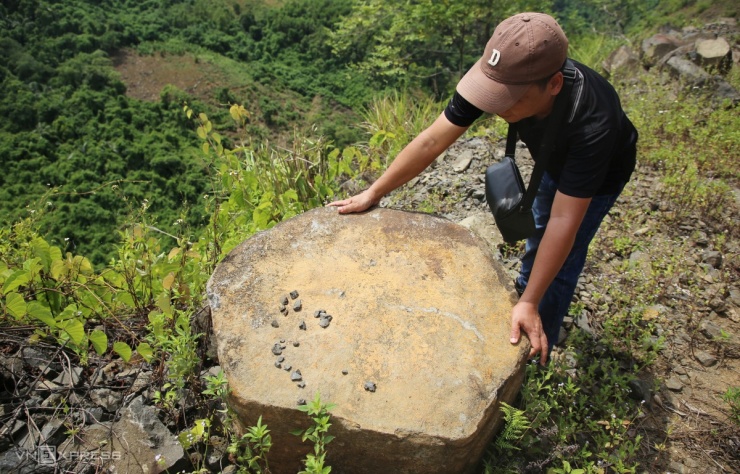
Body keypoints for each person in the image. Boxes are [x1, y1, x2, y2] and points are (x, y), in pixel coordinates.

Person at [328, 12, 638, 364]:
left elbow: (565, 220)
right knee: (538, 225)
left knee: (564, 256)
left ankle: (538, 342)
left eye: (510, 98)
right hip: (553, 157)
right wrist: (375, 191)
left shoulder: (593, 121)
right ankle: (527, 287)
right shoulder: (502, 74)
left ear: (553, 84)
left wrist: (530, 302)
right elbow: (431, 140)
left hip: (600, 176)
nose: (495, 104)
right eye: (494, 93)